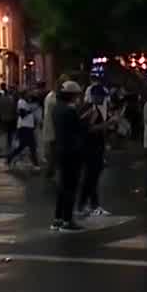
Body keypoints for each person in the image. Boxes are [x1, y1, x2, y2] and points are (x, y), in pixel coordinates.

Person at [51, 81, 86, 232]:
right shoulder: (69, 111)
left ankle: (58, 218)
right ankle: (68, 219)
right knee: (71, 186)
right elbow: (78, 130)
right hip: (72, 151)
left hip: (60, 149)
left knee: (62, 186)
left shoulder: (56, 109)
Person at [78, 88, 116, 216]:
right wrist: (107, 124)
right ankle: (83, 205)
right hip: (90, 148)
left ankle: (92, 204)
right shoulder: (89, 109)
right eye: (100, 96)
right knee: (90, 178)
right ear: (94, 96)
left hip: (97, 147)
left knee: (93, 178)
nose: (102, 99)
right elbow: (88, 129)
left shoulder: (96, 108)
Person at [6, 89, 41, 169]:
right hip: (25, 127)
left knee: (25, 146)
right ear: (24, 94)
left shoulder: (25, 102)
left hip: (28, 126)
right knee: (30, 146)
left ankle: (9, 158)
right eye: (27, 93)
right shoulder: (21, 102)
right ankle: (35, 164)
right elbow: (22, 114)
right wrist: (31, 110)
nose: (29, 95)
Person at [41, 80, 60, 180]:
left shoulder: (50, 96)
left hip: (51, 127)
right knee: (53, 151)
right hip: (53, 127)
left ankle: (51, 171)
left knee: (53, 151)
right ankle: (50, 171)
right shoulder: (53, 98)